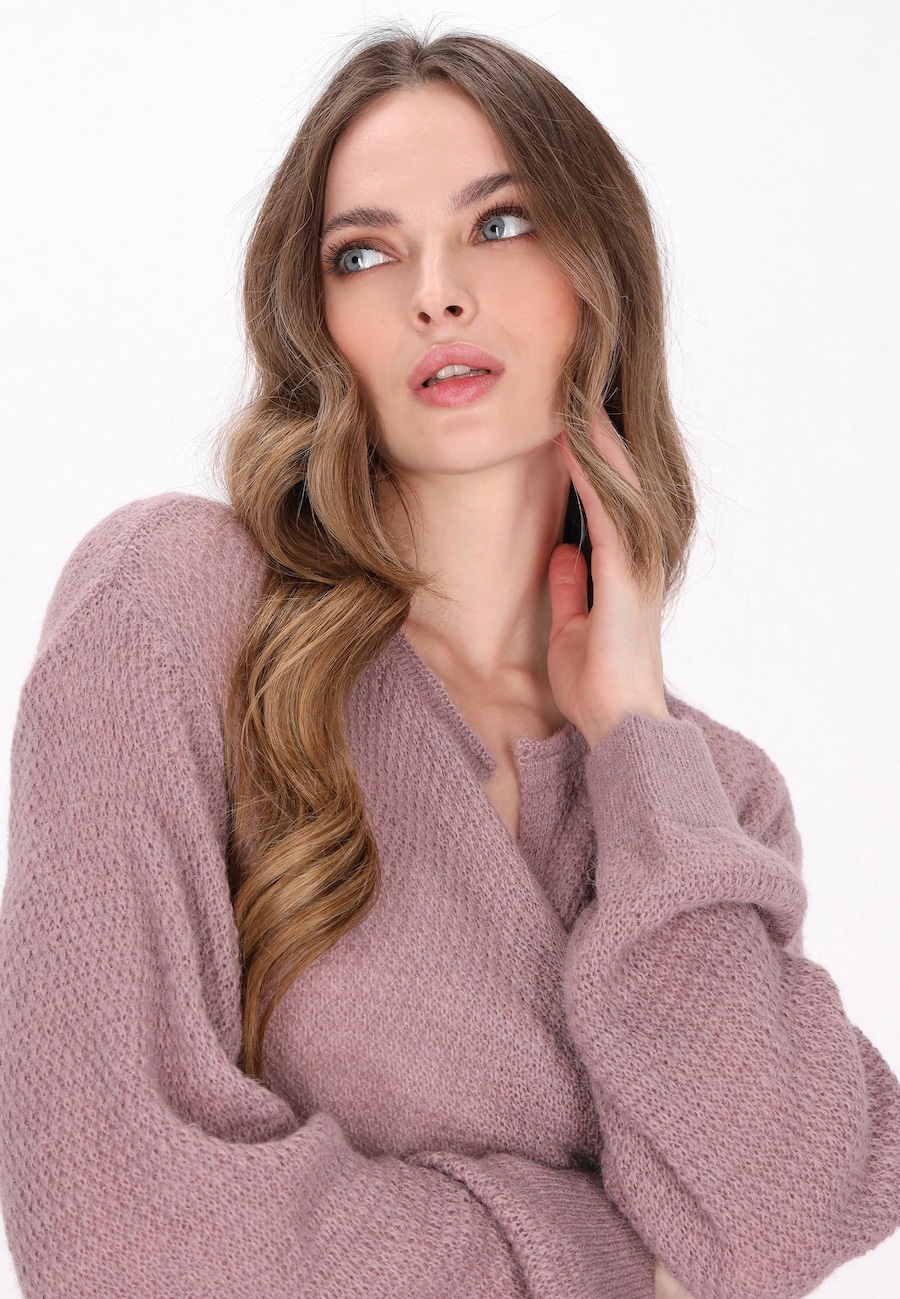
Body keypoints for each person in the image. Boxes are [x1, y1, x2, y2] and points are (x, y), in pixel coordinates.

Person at [1, 24, 898, 1299]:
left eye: (500, 223)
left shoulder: (709, 795)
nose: (435, 293)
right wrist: (615, 1263)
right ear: (320, 323)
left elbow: (780, 1213)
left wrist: (632, 728)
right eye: (364, 253)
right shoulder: (176, 608)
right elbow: (111, 1234)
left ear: (599, 278)